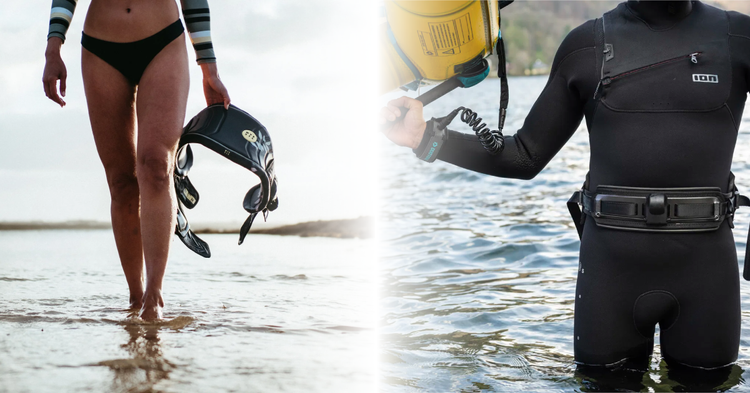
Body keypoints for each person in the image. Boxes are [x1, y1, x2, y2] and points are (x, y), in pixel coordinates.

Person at [381, 0, 750, 373]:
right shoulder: (586, 44)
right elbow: (525, 155)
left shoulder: (739, 37)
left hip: (706, 274)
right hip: (611, 277)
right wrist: (425, 137)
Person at [42, 0, 230, 320]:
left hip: (163, 40)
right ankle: (135, 296)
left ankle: (154, 297)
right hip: (101, 47)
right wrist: (53, 48)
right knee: (121, 180)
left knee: (156, 166)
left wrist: (208, 67)